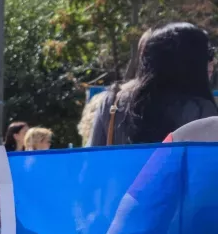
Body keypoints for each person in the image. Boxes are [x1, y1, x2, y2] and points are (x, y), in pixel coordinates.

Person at [86, 22, 218, 146]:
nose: (213, 61)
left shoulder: (112, 101)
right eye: (208, 54)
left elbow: (92, 161)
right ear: (190, 61)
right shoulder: (200, 110)